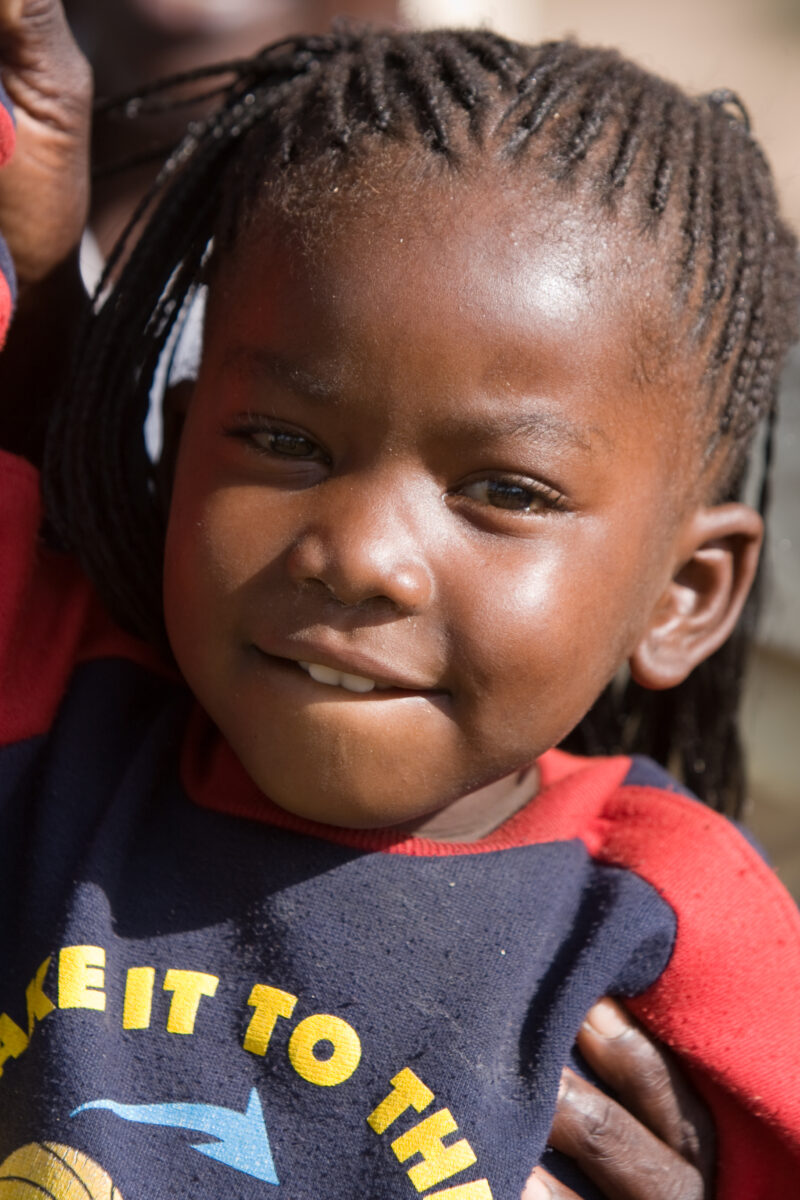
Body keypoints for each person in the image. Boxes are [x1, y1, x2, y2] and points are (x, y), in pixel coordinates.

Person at [0, 4, 797, 1199]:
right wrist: (42, 278)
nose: (360, 554)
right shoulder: (68, 724)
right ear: (176, 447)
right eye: (281, 440)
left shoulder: (660, 913)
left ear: (682, 596)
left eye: (504, 491)